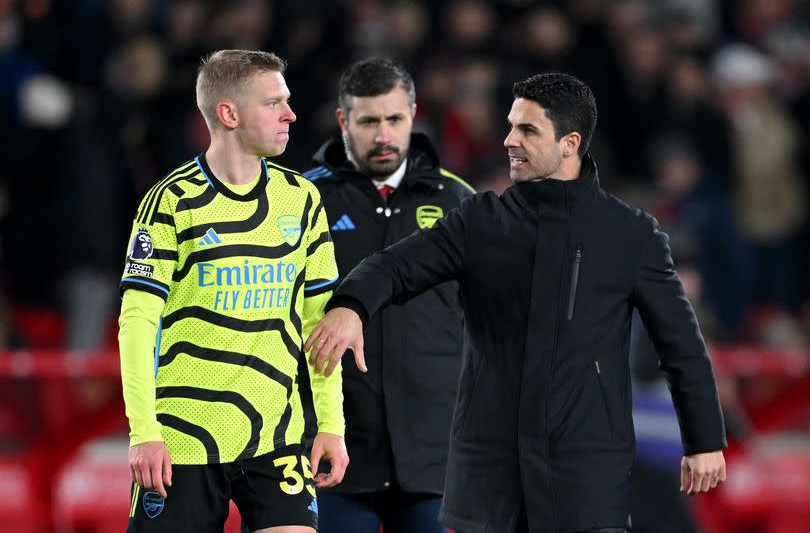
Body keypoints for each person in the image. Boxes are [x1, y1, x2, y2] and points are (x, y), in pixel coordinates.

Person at [305, 73, 727, 533]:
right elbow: (392, 267)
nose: (509, 140)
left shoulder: (631, 235)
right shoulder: (480, 222)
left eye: (527, 130)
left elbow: (681, 345)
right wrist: (351, 306)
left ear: (570, 143)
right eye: (510, 126)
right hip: (489, 482)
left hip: (585, 480)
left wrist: (703, 440)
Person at [118, 49, 349, 533]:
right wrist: (144, 431)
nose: (291, 114)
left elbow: (319, 324)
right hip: (183, 439)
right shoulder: (171, 203)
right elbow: (137, 323)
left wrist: (331, 423)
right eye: (274, 103)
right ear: (228, 114)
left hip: (276, 436)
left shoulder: (302, 199)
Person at [302, 57, 474, 533]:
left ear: (413, 115)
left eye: (395, 119)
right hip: (333, 453)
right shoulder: (302, 201)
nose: (383, 135)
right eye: (369, 121)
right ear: (343, 121)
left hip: (436, 458)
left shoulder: (457, 202)